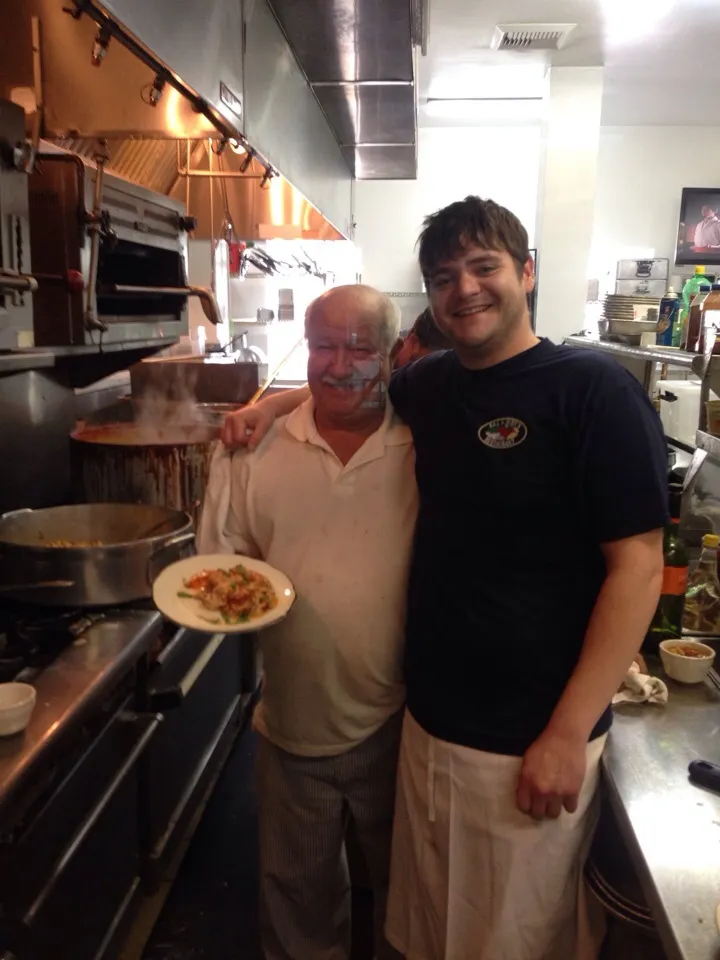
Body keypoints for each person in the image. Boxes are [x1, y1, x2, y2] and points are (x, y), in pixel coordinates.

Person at [220, 196, 667, 960]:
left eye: (484, 266)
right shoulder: (433, 387)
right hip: (427, 728)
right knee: (428, 929)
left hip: (531, 735)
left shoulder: (591, 390)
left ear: (527, 272)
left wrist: (566, 732)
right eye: (443, 275)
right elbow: (351, 383)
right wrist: (271, 407)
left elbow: (640, 566)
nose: (464, 288)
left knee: (514, 935)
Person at [198, 284, 414, 960]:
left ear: (391, 355)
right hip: (291, 717)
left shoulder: (426, 440)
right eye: (323, 345)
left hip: (403, 719)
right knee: (296, 893)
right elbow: (219, 566)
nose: (339, 364)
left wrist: (273, 399)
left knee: (404, 896)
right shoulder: (250, 451)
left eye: (360, 347)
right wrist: (267, 407)